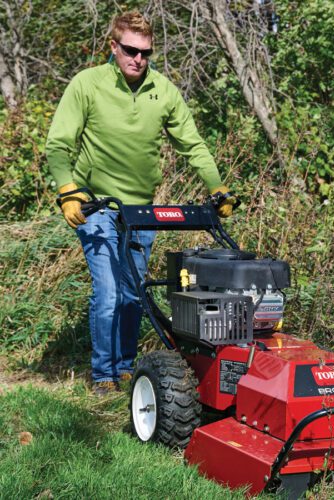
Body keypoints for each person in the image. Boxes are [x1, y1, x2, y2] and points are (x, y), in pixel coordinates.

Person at [46, 11, 234, 396]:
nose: (138, 59)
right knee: (109, 292)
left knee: (134, 293)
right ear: (113, 46)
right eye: (130, 50)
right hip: (95, 205)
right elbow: (58, 145)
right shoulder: (88, 84)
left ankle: (126, 368)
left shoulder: (163, 91)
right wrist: (67, 190)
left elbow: (192, 144)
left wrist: (217, 188)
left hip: (141, 211)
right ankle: (102, 375)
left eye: (146, 52)